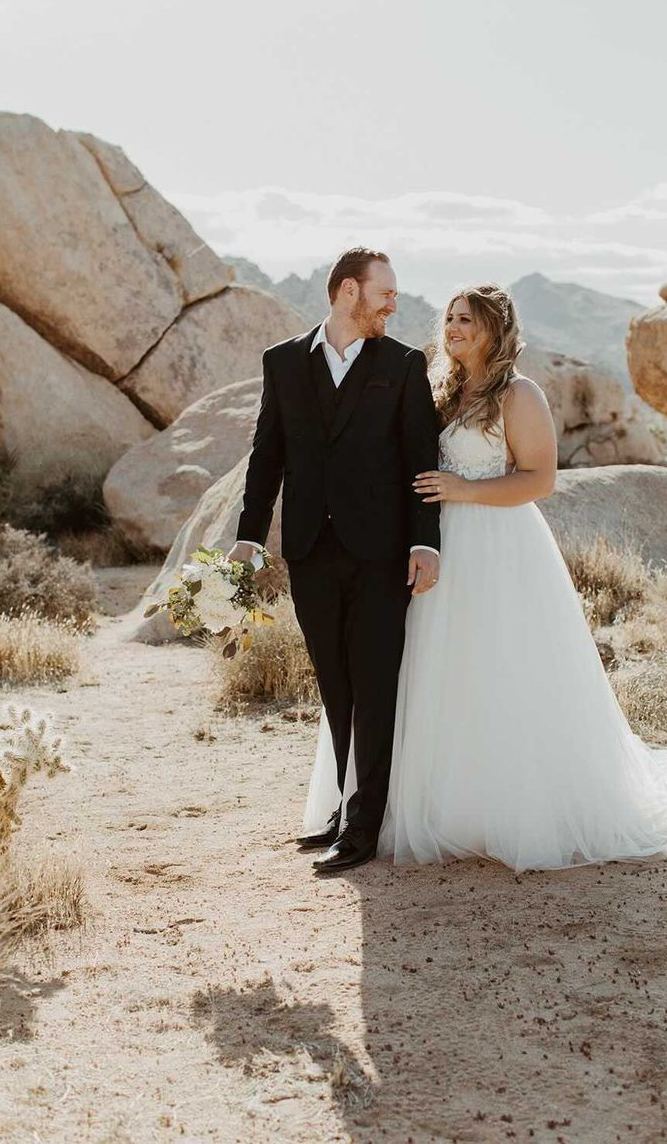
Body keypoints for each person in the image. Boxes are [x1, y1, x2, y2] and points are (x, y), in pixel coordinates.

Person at [303, 284, 667, 871]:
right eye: (449, 318)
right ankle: (395, 806)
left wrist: (465, 490)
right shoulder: (436, 389)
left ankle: (493, 809)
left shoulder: (519, 395)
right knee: (416, 671)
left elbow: (540, 480)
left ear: (495, 329)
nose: (453, 328)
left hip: (496, 549)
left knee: (494, 671)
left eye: (466, 319)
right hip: (425, 548)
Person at [228, 247, 441, 874]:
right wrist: (248, 534)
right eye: (386, 293)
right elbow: (267, 455)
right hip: (309, 552)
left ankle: (364, 826)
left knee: (374, 687)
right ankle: (344, 805)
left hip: (382, 556)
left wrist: (425, 543)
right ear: (348, 292)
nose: (394, 304)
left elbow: (419, 461)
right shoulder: (283, 363)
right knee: (335, 686)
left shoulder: (403, 366)